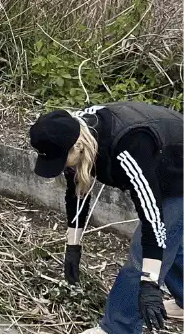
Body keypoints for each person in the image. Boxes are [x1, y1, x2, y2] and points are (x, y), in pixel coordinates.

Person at [29, 102, 184, 334]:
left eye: (62, 160)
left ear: (77, 147)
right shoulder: (77, 131)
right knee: (172, 244)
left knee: (147, 248)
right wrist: (73, 245)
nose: (62, 168)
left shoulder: (128, 147)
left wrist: (150, 285)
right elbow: (76, 191)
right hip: (164, 165)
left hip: (178, 171)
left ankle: (117, 328)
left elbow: (153, 221)